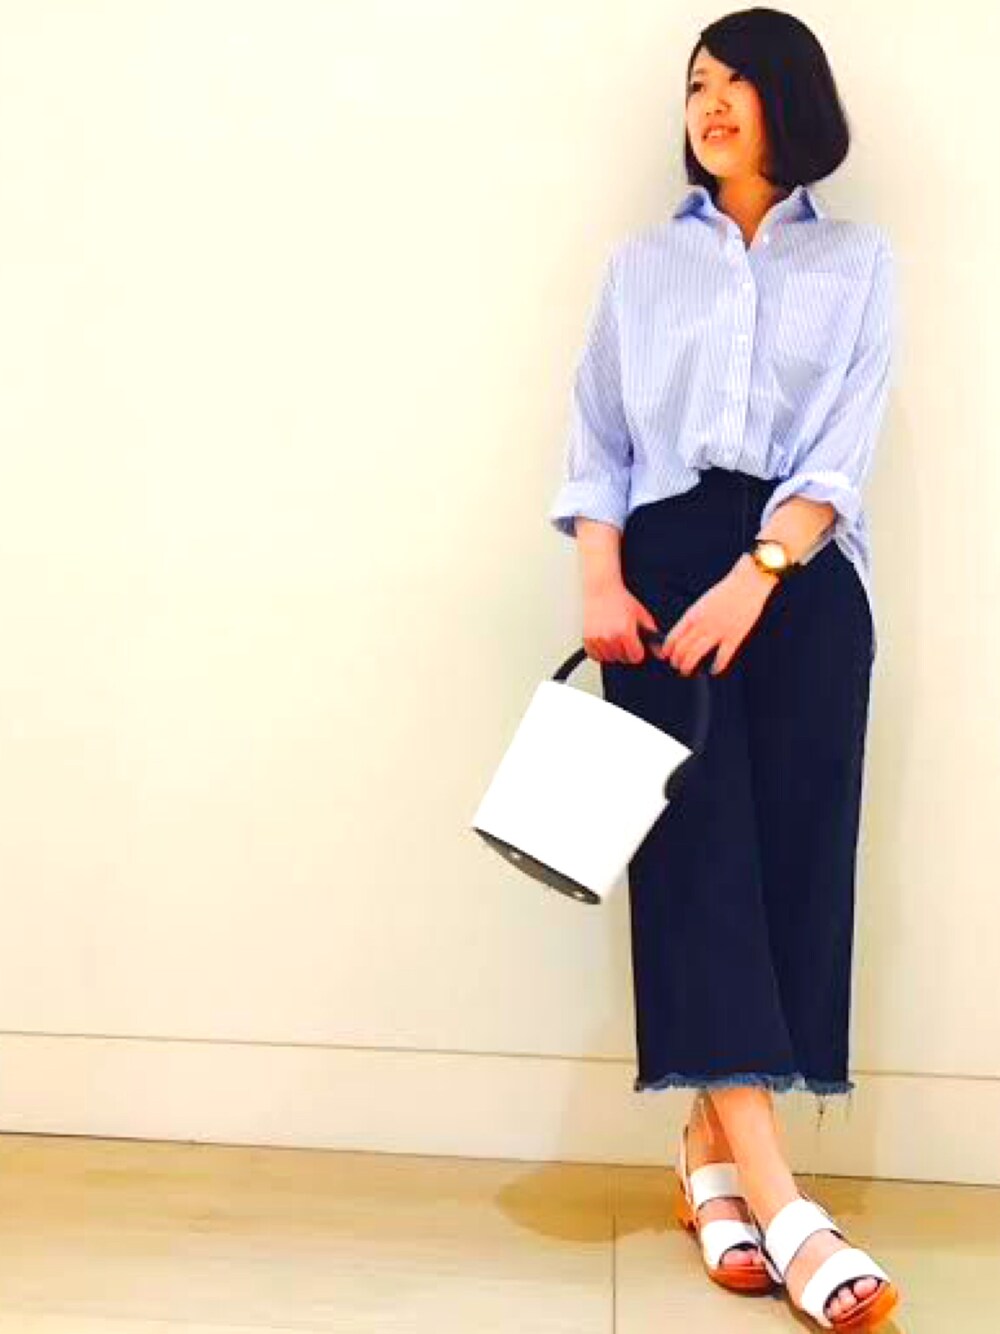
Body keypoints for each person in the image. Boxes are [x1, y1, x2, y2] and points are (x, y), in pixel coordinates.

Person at [547, 8, 900, 1331]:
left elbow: (843, 446)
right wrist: (601, 579)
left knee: (793, 857)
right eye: (697, 82)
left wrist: (760, 572)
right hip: (658, 570)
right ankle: (785, 1199)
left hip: (801, 576)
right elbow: (597, 434)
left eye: (738, 80)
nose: (711, 101)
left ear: (790, 100)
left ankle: (708, 1154)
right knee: (697, 859)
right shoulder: (643, 265)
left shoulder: (860, 262)